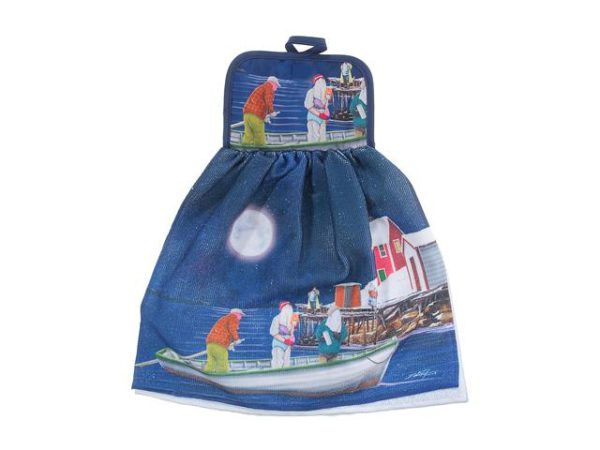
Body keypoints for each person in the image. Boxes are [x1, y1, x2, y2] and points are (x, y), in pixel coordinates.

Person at [242, 76, 280, 147]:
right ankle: (260, 149)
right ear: (273, 83)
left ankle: (244, 148)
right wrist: (272, 112)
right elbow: (268, 100)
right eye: (276, 85)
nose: (276, 88)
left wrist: (264, 117)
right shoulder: (269, 87)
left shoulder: (260, 87)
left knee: (248, 134)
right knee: (259, 135)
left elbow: (260, 102)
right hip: (256, 115)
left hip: (247, 113)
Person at [204, 308, 245, 373]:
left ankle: (208, 373)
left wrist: (228, 345)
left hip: (210, 343)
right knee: (222, 361)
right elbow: (232, 329)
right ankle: (223, 374)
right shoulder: (233, 317)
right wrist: (237, 339)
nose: (241, 317)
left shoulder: (224, 318)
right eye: (241, 315)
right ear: (237, 314)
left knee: (211, 361)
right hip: (219, 344)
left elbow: (223, 332)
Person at [270, 301, 296, 368]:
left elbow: (291, 333)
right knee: (277, 363)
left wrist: (291, 339)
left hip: (288, 345)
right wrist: (285, 341)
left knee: (286, 363)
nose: (289, 309)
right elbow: (274, 333)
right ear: (282, 309)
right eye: (286, 307)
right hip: (278, 344)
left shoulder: (291, 321)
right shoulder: (276, 319)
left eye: (290, 308)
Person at [304, 74, 330, 142]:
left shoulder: (325, 94)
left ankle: (323, 147)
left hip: (323, 118)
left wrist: (326, 116)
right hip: (313, 117)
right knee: (314, 135)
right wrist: (320, 115)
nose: (322, 83)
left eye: (323, 81)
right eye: (320, 81)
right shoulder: (311, 92)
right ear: (316, 82)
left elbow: (325, 107)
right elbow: (309, 106)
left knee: (323, 136)